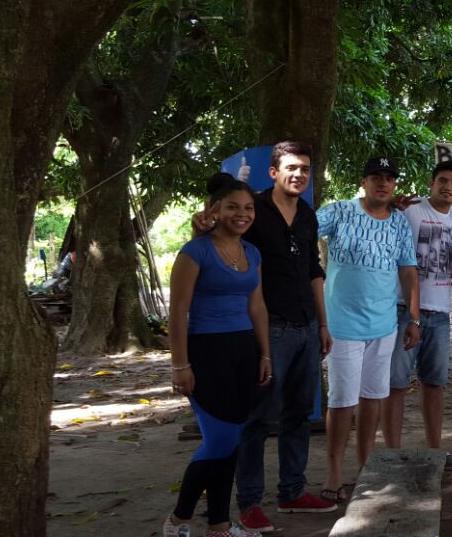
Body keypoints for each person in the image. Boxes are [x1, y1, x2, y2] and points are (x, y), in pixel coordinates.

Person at [188, 143, 334, 533]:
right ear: (273, 172)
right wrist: (200, 225)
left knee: (298, 414)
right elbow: (217, 236)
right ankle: (249, 502)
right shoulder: (252, 209)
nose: (299, 175)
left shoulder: (307, 214)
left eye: (305, 169)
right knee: (256, 418)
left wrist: (323, 324)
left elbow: (313, 270)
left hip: (306, 326)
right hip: (268, 329)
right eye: (291, 168)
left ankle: (292, 491)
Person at [163, 174, 272, 537]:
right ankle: (178, 520)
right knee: (219, 441)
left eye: (249, 208)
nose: (242, 214)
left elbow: (257, 306)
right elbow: (178, 310)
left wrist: (265, 354)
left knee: (232, 441)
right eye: (232, 207)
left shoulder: (252, 253)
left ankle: (219, 525)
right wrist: (180, 364)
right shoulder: (195, 251)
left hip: (244, 350)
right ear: (214, 210)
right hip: (206, 352)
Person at [316, 156, 420, 503]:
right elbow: (299, 229)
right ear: (363, 181)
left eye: (389, 177)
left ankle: (365, 466)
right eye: (376, 176)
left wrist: (414, 318)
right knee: (342, 401)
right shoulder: (339, 211)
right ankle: (334, 470)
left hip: (384, 324)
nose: (383, 183)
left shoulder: (399, 222)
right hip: (342, 325)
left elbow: (408, 270)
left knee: (373, 397)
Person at [383, 161, 452, 472]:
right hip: (403, 309)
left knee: (434, 384)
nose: (448, 187)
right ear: (431, 183)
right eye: (442, 180)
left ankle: (435, 452)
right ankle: (391, 455)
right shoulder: (411, 210)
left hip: (441, 312)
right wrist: (391, 205)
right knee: (395, 384)